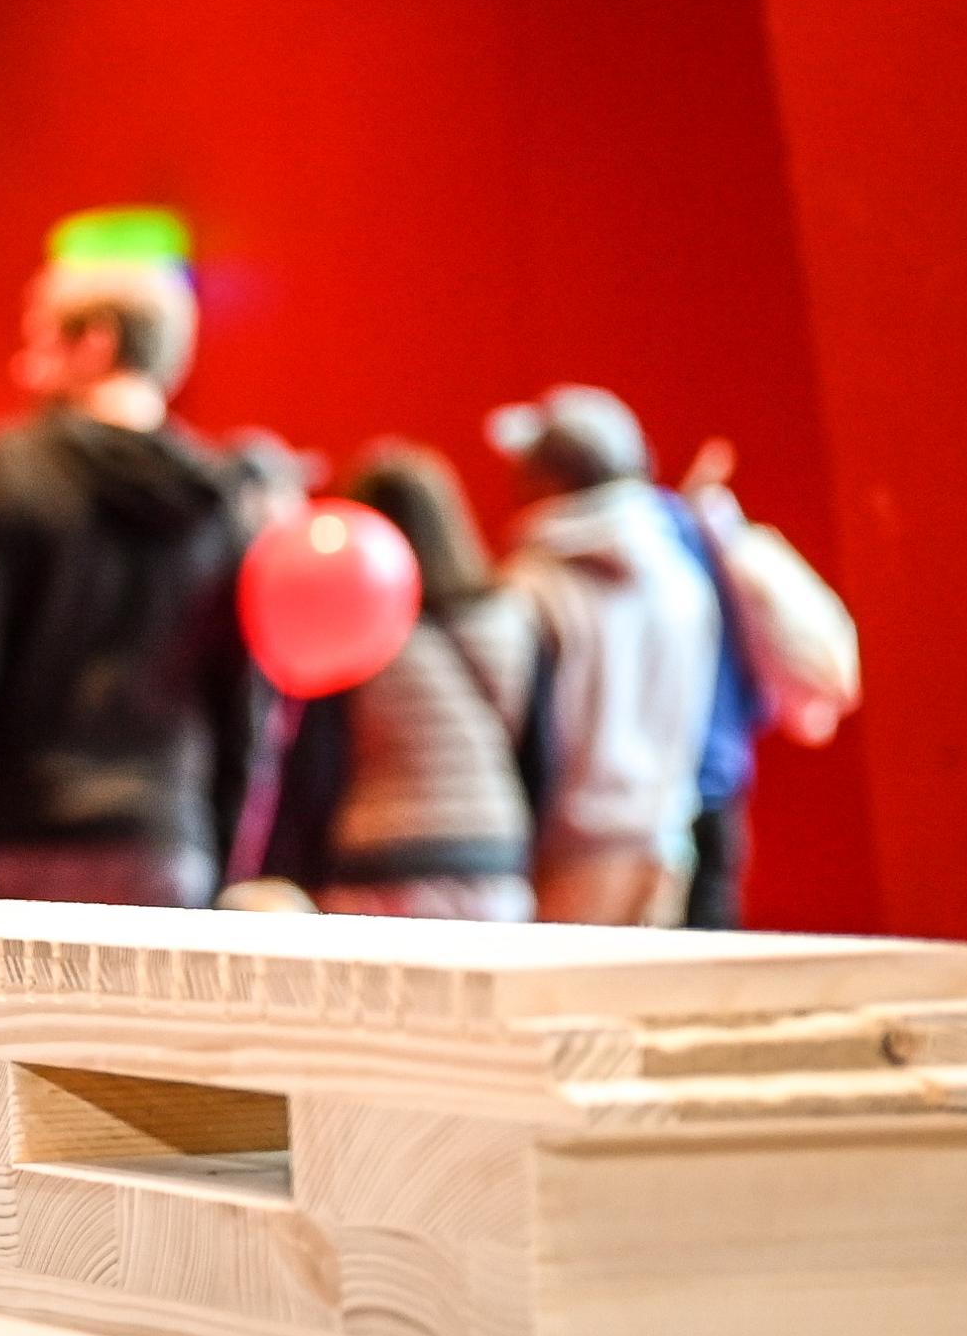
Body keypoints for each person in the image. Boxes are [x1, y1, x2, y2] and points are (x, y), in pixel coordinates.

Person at [0, 258, 266, 908]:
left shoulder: (13, 467)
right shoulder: (222, 503)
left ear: (97, 340)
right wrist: (220, 854)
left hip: (24, 835)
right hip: (166, 845)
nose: (26, 366)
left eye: (42, 340)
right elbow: (242, 703)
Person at [260, 441, 538, 920]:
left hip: (380, 860)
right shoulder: (510, 617)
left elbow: (320, 762)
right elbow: (538, 752)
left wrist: (297, 867)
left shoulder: (353, 623)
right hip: (496, 857)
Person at [485, 384, 725, 924]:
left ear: (553, 478)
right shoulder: (682, 577)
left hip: (568, 855)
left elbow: (521, 729)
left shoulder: (532, 588)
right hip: (666, 842)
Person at [666, 436, 862, 929]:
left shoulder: (665, 558)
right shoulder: (723, 559)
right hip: (726, 779)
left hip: (678, 789)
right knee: (715, 939)